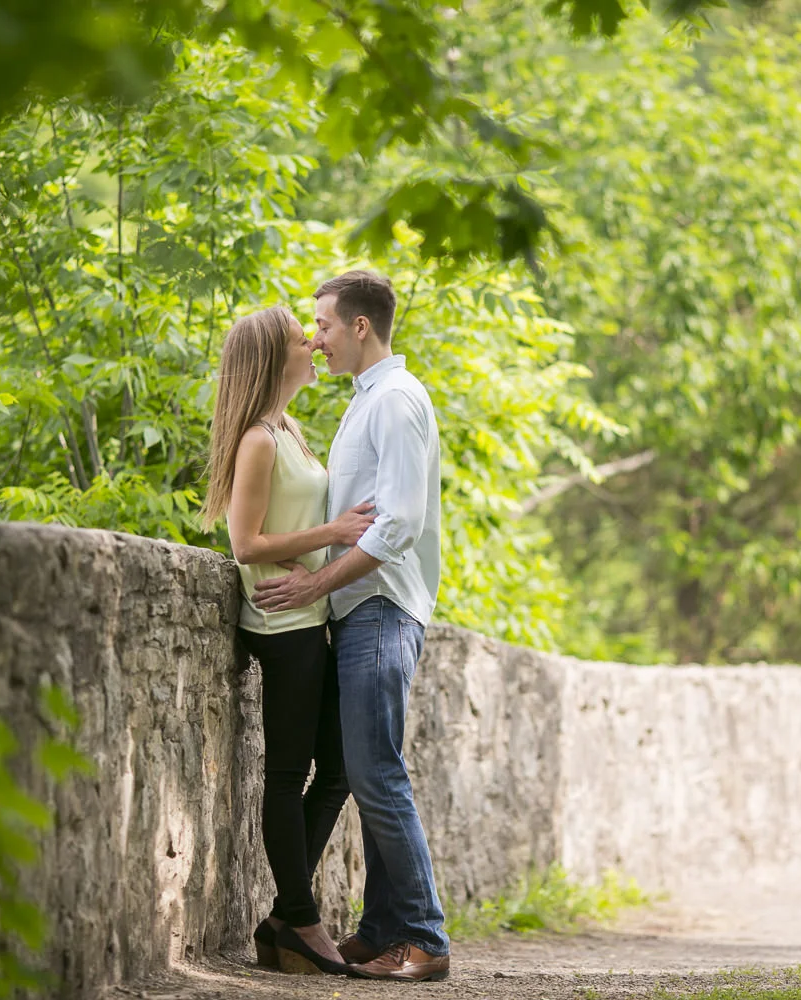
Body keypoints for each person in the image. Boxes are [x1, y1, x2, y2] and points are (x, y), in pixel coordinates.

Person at [252, 271, 450, 982]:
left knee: (377, 775)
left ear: (360, 326)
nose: (316, 339)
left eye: (326, 326)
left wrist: (311, 582)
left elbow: (399, 524)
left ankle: (425, 938)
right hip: (359, 608)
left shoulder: (395, 402)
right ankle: (380, 929)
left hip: (380, 607)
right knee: (367, 774)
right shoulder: (368, 403)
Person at [202, 305, 377, 976]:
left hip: (312, 618)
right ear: (277, 360)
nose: (315, 344)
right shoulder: (258, 440)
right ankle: (300, 921)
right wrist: (332, 537)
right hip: (281, 623)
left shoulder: (290, 429)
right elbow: (245, 543)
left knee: (336, 770)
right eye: (303, 340)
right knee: (288, 775)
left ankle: (284, 917)